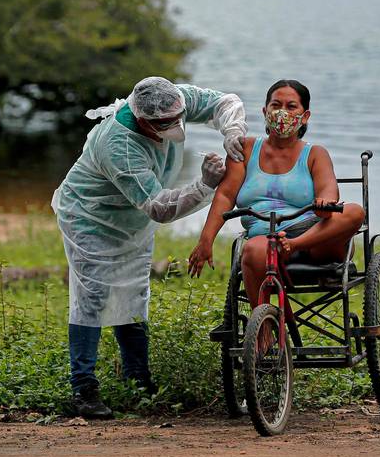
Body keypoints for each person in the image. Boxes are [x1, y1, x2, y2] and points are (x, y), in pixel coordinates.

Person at [51, 76, 246, 419]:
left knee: (133, 294)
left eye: (178, 118)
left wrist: (232, 132)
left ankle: (138, 381)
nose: (175, 126)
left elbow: (225, 102)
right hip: (90, 216)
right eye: (164, 124)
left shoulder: (173, 99)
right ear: (143, 120)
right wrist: (204, 185)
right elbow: (160, 207)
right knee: (92, 296)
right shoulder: (119, 145)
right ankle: (83, 388)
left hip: (132, 220)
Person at [187, 80, 364, 309]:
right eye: (276, 105)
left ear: (305, 116)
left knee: (354, 212)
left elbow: (328, 189)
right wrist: (206, 239)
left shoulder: (315, 154)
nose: (282, 112)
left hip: (314, 236)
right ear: (265, 111)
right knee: (252, 250)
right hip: (267, 236)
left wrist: (324, 203)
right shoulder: (245, 150)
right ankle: (262, 323)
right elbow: (225, 196)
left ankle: (295, 244)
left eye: (291, 107)